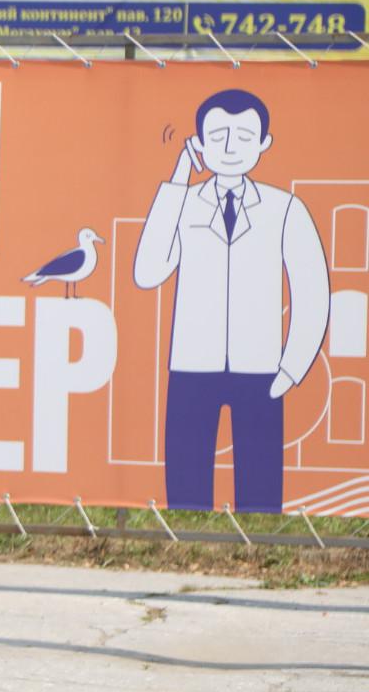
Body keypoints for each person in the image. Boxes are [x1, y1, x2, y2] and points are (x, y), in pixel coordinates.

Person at [133, 88, 330, 513]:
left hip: (260, 368)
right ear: (199, 143)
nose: (229, 147)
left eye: (243, 136)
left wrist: (291, 368)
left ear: (264, 143)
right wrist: (178, 178)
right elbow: (147, 271)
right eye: (218, 135)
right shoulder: (182, 202)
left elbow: (312, 290)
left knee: (261, 491)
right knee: (185, 490)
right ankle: (183, 541)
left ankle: (262, 542)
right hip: (191, 366)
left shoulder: (284, 208)